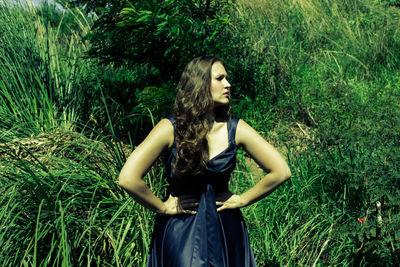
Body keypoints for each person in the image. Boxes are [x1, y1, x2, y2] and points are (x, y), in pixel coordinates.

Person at [118, 56, 291, 266]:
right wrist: (162, 207)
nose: (228, 84)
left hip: (226, 230)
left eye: (227, 78)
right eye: (219, 78)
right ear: (200, 84)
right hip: (182, 232)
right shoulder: (170, 128)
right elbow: (128, 178)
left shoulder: (235, 129)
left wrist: (243, 199)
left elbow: (281, 171)